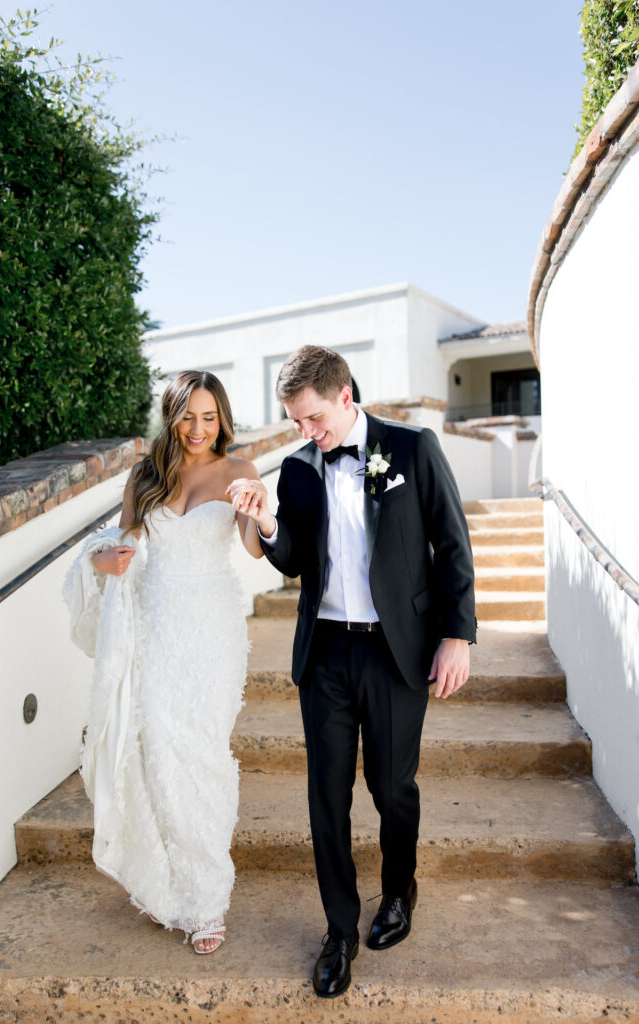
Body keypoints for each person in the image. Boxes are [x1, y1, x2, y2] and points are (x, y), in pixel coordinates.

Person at [227, 345, 476, 997]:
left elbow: (451, 544)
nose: (305, 433)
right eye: (295, 422)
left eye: (311, 419)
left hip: (397, 650)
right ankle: (338, 929)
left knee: (391, 786)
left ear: (344, 396)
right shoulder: (301, 468)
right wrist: (269, 522)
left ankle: (398, 893)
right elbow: (293, 560)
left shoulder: (413, 449)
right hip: (326, 653)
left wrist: (457, 635)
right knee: (325, 795)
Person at [63, 371, 264, 954]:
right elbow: (121, 544)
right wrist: (106, 561)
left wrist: (258, 511)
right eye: (186, 416)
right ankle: (170, 882)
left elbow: (253, 545)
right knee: (158, 755)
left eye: (209, 417)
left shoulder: (239, 472)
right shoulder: (144, 476)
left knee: (199, 754)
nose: (198, 429)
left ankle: (207, 898)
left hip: (211, 631)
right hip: (154, 627)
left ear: (222, 418)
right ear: (171, 417)